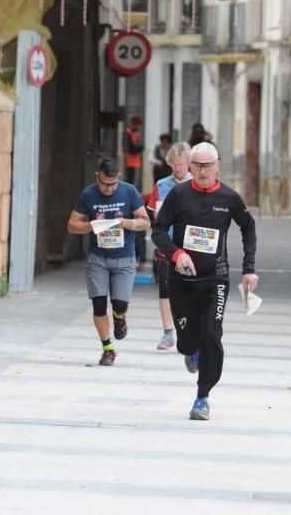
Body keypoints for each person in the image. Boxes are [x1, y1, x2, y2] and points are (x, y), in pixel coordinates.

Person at [151, 142, 258, 420]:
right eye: (197, 165)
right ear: (190, 166)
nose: (202, 171)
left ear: (218, 166)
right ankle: (191, 350)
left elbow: (249, 228)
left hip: (215, 277)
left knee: (212, 334)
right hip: (182, 279)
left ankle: (202, 397)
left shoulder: (229, 198)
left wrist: (249, 269)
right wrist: (176, 254)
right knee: (187, 343)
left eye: (208, 165)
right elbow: (159, 230)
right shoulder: (178, 195)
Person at [67, 157, 151, 366]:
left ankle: (119, 316)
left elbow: (145, 222)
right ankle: (108, 348)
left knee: (120, 303)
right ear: (97, 177)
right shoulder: (88, 194)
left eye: (112, 184)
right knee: (98, 304)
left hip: (124, 258)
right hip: (98, 258)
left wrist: (127, 223)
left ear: (118, 178)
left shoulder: (129, 191)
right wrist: (92, 226)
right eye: (104, 183)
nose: (108, 189)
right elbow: (71, 225)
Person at [146, 142, 193, 350]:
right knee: (165, 289)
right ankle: (167, 333)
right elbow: (150, 215)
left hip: (191, 248)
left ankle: (189, 332)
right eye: (174, 164)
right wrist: (157, 216)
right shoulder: (161, 185)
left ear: (189, 163)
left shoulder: (198, 185)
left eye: (181, 164)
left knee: (190, 291)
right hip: (167, 246)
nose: (177, 169)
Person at [123, 117, 144, 187]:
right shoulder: (128, 133)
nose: (139, 127)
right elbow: (131, 148)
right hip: (128, 161)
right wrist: (140, 147)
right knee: (129, 180)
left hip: (132, 161)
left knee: (131, 180)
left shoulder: (134, 133)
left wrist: (139, 147)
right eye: (138, 125)